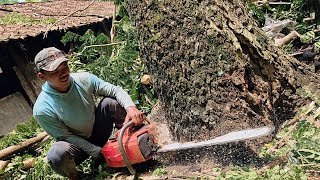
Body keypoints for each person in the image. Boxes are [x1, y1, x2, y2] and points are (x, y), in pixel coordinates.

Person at [33, 47, 145, 179]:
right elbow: (66, 136)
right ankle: (76, 176)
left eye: (64, 67)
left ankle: (141, 143)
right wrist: (99, 152)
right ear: (42, 77)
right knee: (56, 154)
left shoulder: (83, 79)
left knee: (110, 102)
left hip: (98, 130)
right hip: (77, 146)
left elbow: (115, 90)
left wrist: (131, 107)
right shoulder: (42, 109)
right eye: (54, 72)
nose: (62, 73)